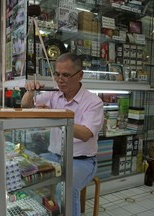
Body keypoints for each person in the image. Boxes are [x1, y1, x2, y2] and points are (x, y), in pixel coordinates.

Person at [21, 53, 104, 216]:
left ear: (80, 75)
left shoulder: (93, 102)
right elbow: (25, 106)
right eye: (57, 74)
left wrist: (54, 114)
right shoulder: (54, 94)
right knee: (27, 175)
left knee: (65, 187)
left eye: (65, 75)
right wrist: (30, 92)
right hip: (54, 157)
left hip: (82, 161)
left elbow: (86, 134)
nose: (60, 79)